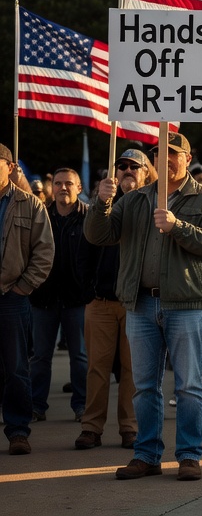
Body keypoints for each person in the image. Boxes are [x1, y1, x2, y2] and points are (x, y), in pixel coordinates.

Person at [85, 132, 202, 481]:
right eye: (158, 152)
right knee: (145, 385)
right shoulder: (134, 200)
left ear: (187, 157)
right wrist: (102, 203)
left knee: (189, 385)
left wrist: (178, 226)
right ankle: (147, 454)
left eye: (171, 152)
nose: (163, 158)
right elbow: (98, 235)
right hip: (141, 304)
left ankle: (189, 455)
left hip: (186, 304)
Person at [77, 150, 149, 451]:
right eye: (122, 166)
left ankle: (129, 428)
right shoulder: (101, 205)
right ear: (114, 172)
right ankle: (91, 427)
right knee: (96, 368)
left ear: (146, 172)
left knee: (133, 370)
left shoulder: (152, 205)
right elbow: (86, 248)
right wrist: (101, 202)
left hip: (136, 302)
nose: (128, 170)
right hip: (101, 301)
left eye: (135, 166)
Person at [0, 143, 55, 456]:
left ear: (10, 167)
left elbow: (45, 251)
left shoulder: (30, 204)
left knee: (17, 368)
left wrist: (25, 286)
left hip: (12, 297)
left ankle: (18, 430)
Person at [30, 168, 92, 424]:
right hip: (43, 298)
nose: (63, 188)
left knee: (79, 357)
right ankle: (36, 406)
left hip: (78, 299)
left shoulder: (89, 216)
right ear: (51, 187)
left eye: (69, 183)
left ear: (79, 188)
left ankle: (81, 406)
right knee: (40, 356)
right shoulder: (39, 214)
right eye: (58, 183)